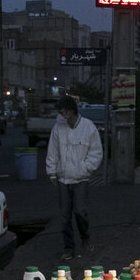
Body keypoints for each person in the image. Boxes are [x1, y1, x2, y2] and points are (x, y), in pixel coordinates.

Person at [46, 95, 103, 260]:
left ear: (70, 112)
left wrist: (85, 168)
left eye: (62, 112)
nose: (61, 116)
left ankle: (85, 238)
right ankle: (69, 248)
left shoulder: (88, 127)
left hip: (81, 179)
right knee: (64, 216)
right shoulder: (58, 128)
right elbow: (53, 151)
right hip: (63, 179)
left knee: (80, 211)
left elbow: (96, 152)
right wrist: (52, 172)